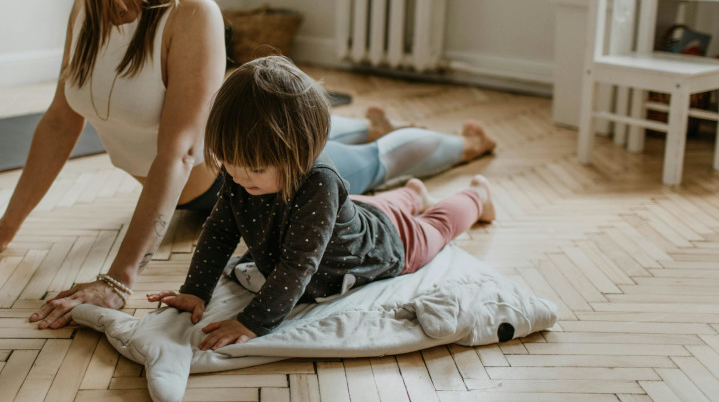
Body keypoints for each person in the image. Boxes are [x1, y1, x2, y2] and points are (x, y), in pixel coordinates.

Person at [0, 0, 495, 330]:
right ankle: (367, 133)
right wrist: (5, 227)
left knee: (373, 162)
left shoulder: (191, 14)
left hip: (250, 179)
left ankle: (464, 146)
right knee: (337, 138)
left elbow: (179, 152)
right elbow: (58, 122)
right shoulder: (88, 5)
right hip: (234, 159)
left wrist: (120, 280)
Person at [147, 56, 495, 349]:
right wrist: (195, 290)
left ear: (299, 153)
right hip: (355, 213)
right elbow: (220, 231)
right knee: (374, 207)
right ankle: (414, 193)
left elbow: (298, 265)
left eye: (253, 168)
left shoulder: (319, 183)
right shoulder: (242, 173)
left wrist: (252, 322)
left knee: (436, 226)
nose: (238, 177)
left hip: (387, 242)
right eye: (229, 164)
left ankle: (477, 196)